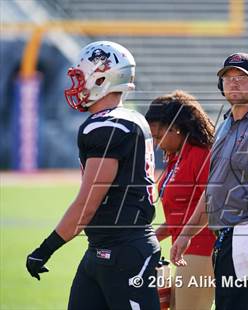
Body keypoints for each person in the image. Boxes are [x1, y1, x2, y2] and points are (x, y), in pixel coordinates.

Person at [25, 41, 161, 310]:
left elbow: (88, 204)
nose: (78, 86)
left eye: (81, 78)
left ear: (102, 77)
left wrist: (45, 249)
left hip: (123, 253)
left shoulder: (107, 125)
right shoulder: (130, 118)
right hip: (106, 248)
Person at [170, 52, 248, 310]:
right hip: (226, 240)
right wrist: (186, 234)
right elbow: (214, 189)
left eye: (242, 77)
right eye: (227, 77)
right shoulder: (227, 124)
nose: (234, 82)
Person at [145, 90, 216, 310]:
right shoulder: (177, 157)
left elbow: (214, 202)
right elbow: (183, 214)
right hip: (186, 250)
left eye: (158, 136)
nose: (156, 144)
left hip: (203, 249)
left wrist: (185, 235)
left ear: (175, 128)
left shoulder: (201, 154)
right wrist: (154, 237)